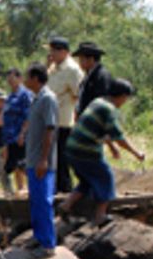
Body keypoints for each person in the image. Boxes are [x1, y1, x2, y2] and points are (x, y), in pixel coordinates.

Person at [58, 79, 145, 226]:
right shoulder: (108, 109)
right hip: (85, 150)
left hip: (72, 148)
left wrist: (111, 147)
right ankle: (100, 215)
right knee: (106, 178)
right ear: (122, 96)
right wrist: (136, 153)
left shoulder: (98, 102)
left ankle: (66, 205)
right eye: (126, 98)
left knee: (87, 180)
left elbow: (102, 130)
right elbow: (119, 137)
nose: (125, 102)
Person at [21, 62, 59, 258]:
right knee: (35, 201)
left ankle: (48, 245)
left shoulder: (48, 99)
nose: (25, 81)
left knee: (44, 202)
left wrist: (44, 159)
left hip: (42, 162)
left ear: (36, 79)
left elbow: (50, 129)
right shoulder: (36, 99)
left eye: (28, 77)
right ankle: (38, 237)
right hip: (32, 159)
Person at [48, 37, 85, 193]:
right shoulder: (53, 68)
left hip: (65, 121)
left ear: (63, 51)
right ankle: (57, 190)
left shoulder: (72, 70)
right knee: (53, 160)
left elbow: (79, 95)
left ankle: (66, 191)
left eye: (54, 51)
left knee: (63, 160)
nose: (51, 54)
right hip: (52, 121)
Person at [2, 68, 34, 196]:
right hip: (10, 136)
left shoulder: (25, 95)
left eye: (12, 78)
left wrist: (23, 133)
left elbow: (28, 116)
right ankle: (20, 189)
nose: (10, 81)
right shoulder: (10, 96)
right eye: (8, 79)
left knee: (23, 164)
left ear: (20, 78)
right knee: (14, 165)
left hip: (20, 135)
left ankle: (33, 187)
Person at [0, 91, 13, 196]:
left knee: (2, 169)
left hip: (4, 145)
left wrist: (6, 147)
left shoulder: (7, 113)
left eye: (2, 101)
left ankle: (8, 191)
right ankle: (8, 191)